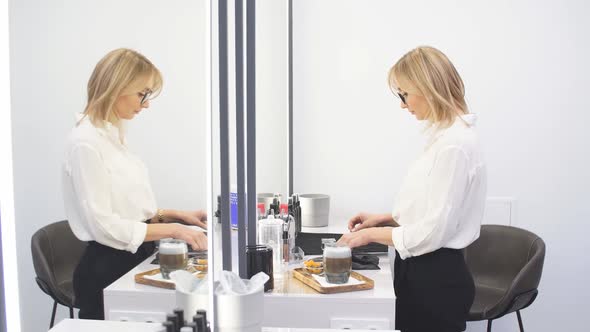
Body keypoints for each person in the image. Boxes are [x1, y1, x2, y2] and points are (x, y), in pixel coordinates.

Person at [337, 46, 486, 332]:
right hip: (424, 273)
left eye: (404, 94)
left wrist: (369, 235)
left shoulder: (454, 145)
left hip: (436, 280)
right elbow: (433, 212)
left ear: (427, 88)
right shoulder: (445, 138)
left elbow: (434, 231)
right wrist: (385, 219)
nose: (403, 105)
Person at [61, 48, 208, 320]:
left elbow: (126, 208)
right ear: (118, 87)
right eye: (143, 94)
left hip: (131, 259)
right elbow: (104, 225)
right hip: (106, 270)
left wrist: (172, 215)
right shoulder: (86, 143)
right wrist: (174, 230)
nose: (146, 103)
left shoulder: (111, 137)